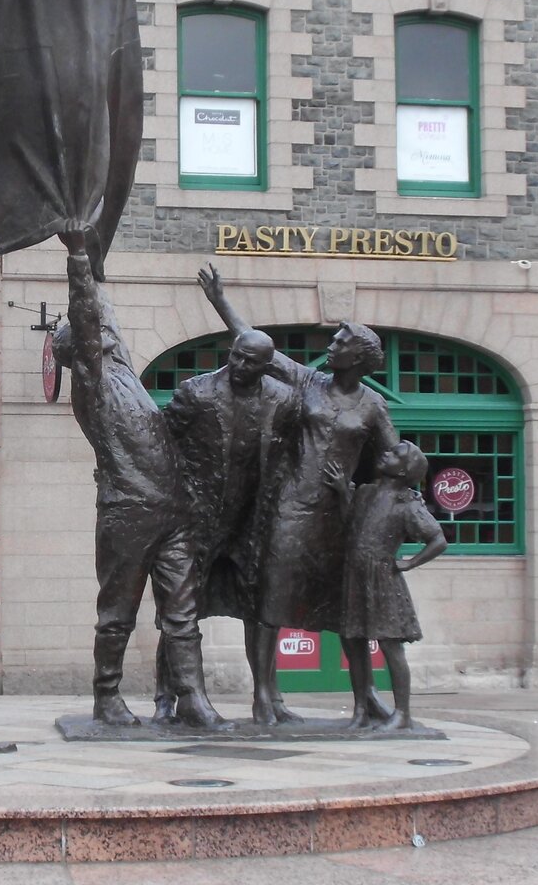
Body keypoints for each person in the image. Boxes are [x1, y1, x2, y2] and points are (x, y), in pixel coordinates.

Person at [198, 264, 399, 723]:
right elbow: (257, 348)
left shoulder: (373, 405)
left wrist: (374, 504)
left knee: (346, 606)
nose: (331, 346)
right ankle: (266, 697)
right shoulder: (309, 382)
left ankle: (365, 696)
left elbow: (396, 463)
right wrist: (220, 301)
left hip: (337, 514)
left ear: (359, 357)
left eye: (340, 343)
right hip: (288, 508)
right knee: (268, 600)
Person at [52, 221, 227, 728]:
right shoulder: (92, 376)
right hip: (128, 510)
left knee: (182, 612)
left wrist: (97, 254)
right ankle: (106, 697)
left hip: (172, 511)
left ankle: (191, 697)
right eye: (98, 333)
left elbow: (100, 310)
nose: (109, 332)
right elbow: (87, 312)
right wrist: (79, 256)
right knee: (117, 611)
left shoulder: (121, 367)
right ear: (81, 348)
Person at [153, 329, 299, 724]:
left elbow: (291, 455)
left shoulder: (284, 399)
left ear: (266, 365)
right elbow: (160, 444)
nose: (238, 365)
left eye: (249, 360)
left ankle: (267, 699)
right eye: (235, 356)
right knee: (180, 610)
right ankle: (167, 699)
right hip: (196, 518)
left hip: (251, 519)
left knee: (261, 607)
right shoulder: (196, 393)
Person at [328, 440, 447, 730]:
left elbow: (438, 540)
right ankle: (360, 709)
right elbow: (351, 525)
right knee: (353, 643)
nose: (387, 453)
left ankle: (402, 712)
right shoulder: (367, 492)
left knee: (391, 646)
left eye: (396, 454)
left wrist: (408, 563)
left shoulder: (407, 503)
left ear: (405, 469)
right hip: (355, 575)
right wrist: (344, 494)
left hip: (382, 579)